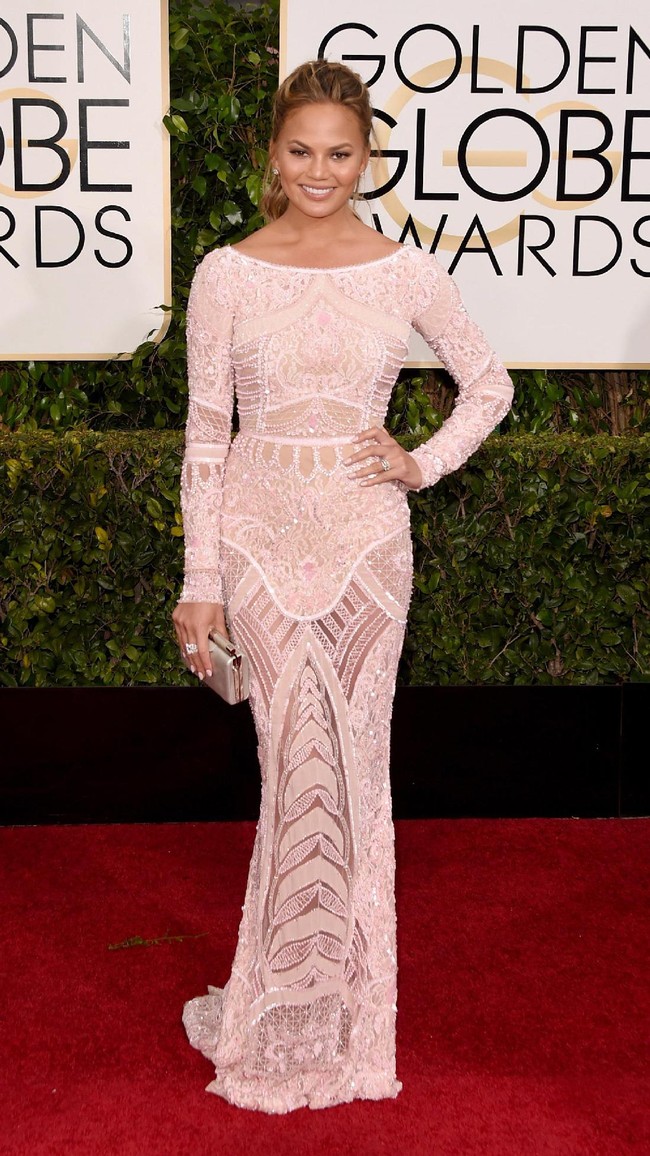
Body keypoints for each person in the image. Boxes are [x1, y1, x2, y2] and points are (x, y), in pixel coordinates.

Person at [172, 58, 514, 1114]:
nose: (320, 170)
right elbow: (204, 434)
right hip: (261, 550)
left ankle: (348, 1029)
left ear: (366, 158)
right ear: (272, 154)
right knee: (292, 775)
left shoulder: (403, 272)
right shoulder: (226, 272)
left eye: (340, 152)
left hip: (369, 550)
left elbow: (488, 386)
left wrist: (420, 461)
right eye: (300, 150)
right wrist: (201, 577)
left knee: (357, 783)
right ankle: (274, 1017)